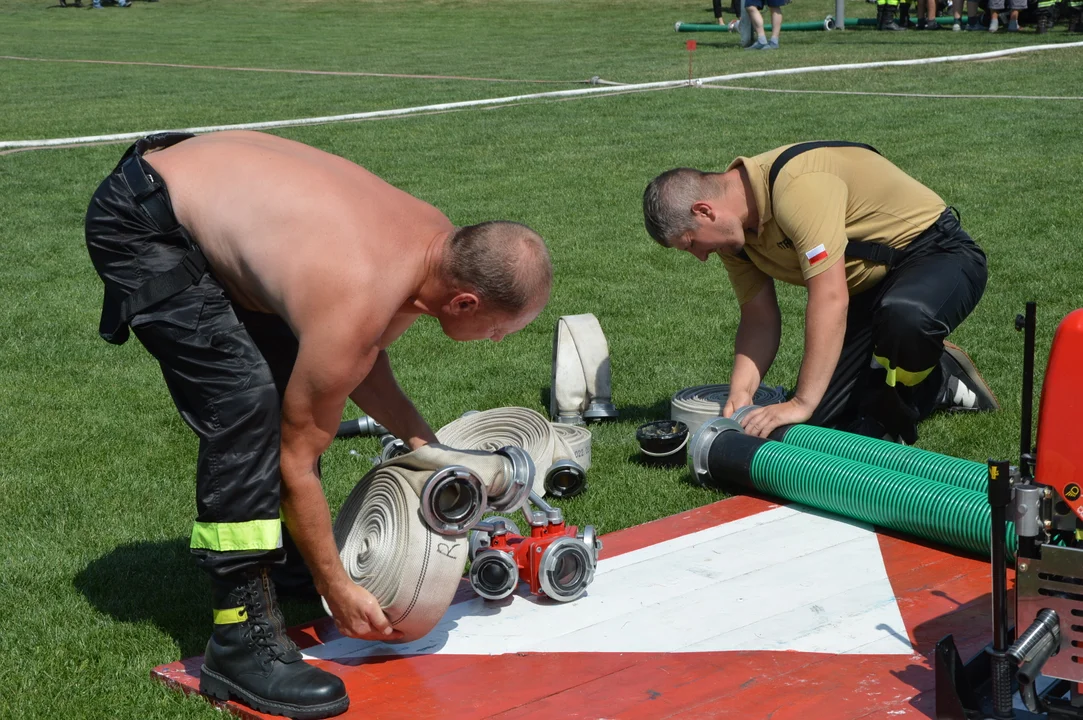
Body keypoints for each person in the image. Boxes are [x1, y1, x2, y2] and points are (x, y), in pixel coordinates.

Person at [84, 130, 552, 719]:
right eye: (498, 329)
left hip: (192, 181)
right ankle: (239, 639)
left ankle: (289, 561)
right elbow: (294, 456)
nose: (496, 341)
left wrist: (431, 450)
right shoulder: (360, 294)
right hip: (142, 221)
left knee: (299, 379)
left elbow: (363, 368)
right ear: (462, 302)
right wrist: (337, 589)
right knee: (247, 405)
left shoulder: (437, 242)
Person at [642, 140, 997, 445]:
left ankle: (929, 380)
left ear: (704, 211)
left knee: (904, 320)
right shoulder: (736, 241)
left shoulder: (798, 187)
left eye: (691, 244)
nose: (700, 257)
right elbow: (758, 317)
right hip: (867, 287)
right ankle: (938, 383)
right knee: (822, 428)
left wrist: (801, 400)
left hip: (937, 253)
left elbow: (829, 298)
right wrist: (741, 392)